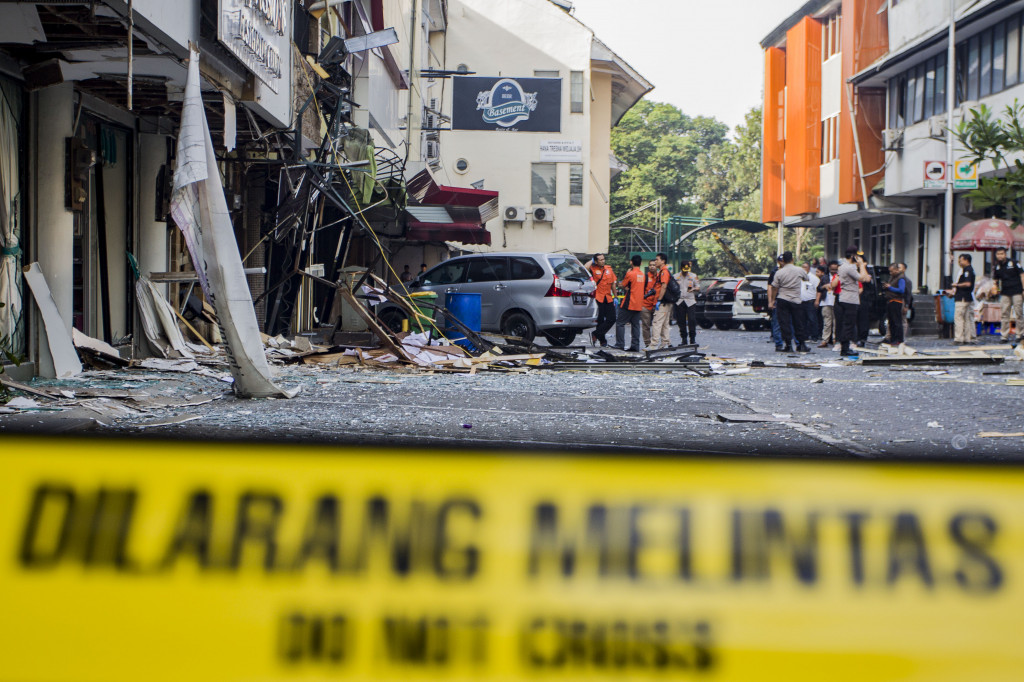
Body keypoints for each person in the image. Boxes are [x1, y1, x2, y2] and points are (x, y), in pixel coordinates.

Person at [828, 246, 871, 357]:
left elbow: (866, 278)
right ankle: (845, 348)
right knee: (849, 325)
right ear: (853, 256)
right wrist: (861, 265)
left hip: (844, 297)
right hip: (849, 299)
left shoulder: (842, 267)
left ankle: (845, 347)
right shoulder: (849, 268)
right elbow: (862, 278)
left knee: (846, 324)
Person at [768, 251, 811, 353]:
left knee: (784, 323)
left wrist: (772, 300)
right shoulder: (799, 270)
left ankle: (788, 345)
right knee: (798, 323)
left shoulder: (779, 272)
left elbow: (774, 287)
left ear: (783, 261)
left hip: (783, 299)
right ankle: (801, 345)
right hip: (796, 299)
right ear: (792, 259)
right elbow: (807, 278)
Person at [612, 255, 645, 352]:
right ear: (641, 263)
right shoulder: (642, 275)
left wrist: (621, 284)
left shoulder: (630, 274)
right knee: (636, 325)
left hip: (629, 302)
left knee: (620, 323)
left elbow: (622, 284)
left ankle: (620, 344)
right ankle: (635, 346)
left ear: (631, 262)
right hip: (639, 303)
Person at [585, 253, 617, 347]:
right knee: (600, 320)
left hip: (608, 297)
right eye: (600, 260)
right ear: (596, 261)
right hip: (598, 297)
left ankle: (596, 334)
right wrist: (592, 260)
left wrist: (615, 297)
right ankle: (602, 340)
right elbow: (585, 267)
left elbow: (613, 284)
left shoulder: (609, 269)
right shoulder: (593, 269)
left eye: (603, 259)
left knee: (612, 318)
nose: (603, 261)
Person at [993, 247, 1024, 344]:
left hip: (1017, 291)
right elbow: (996, 281)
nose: (1000, 256)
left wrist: (1023, 289)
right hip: (1005, 292)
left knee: (1018, 313)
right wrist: (996, 290)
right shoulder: (997, 266)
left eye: (1002, 254)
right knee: (1004, 314)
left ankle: (1020, 335)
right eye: (998, 254)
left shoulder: (1014, 263)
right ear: (996, 255)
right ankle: (1004, 336)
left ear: (1005, 254)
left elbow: (1022, 275)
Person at [946, 253, 977, 345]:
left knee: (959, 318)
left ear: (966, 260)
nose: (959, 262)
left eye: (961, 260)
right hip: (967, 297)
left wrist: (956, 285)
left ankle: (958, 338)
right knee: (966, 318)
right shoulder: (969, 270)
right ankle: (967, 338)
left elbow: (968, 284)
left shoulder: (967, 270)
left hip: (962, 297)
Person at [649, 252, 673, 349]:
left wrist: (659, 300)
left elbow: (663, 286)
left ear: (662, 261)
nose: (655, 261)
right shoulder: (663, 271)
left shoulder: (663, 272)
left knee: (657, 322)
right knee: (664, 324)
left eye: (657, 259)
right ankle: (665, 344)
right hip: (666, 301)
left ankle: (653, 345)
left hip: (663, 302)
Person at [881, 264, 908, 345]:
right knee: (892, 321)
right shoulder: (892, 278)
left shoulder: (901, 278)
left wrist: (889, 287)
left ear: (896, 270)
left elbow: (901, 290)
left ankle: (899, 339)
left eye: (891, 271)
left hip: (897, 301)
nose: (890, 273)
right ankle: (893, 339)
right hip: (890, 301)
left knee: (897, 321)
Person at [674, 261, 700, 346]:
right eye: (684, 269)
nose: (686, 271)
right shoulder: (676, 276)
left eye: (687, 269)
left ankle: (692, 339)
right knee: (681, 321)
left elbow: (698, 287)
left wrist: (694, 289)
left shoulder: (693, 276)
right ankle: (684, 339)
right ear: (681, 268)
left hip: (690, 301)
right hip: (680, 301)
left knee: (692, 320)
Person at [815, 263, 836, 348]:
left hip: (836, 301)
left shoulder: (839, 277)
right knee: (827, 322)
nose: (834, 271)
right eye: (832, 269)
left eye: (835, 269)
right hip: (826, 301)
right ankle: (825, 340)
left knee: (836, 322)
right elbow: (819, 289)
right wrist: (824, 286)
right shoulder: (825, 278)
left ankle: (835, 339)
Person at [640, 260, 660, 348]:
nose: (652, 267)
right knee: (646, 325)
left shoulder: (661, 276)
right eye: (650, 265)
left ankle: (655, 343)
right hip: (646, 304)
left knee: (657, 325)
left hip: (656, 305)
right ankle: (647, 344)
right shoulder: (645, 277)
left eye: (654, 265)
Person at [800, 262, 820, 342]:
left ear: (809, 268)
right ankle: (805, 336)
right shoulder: (799, 278)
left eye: (806, 267)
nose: (804, 269)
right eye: (803, 267)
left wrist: (817, 300)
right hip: (801, 301)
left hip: (810, 301)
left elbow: (818, 290)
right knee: (802, 320)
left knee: (812, 319)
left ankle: (814, 336)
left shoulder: (814, 278)